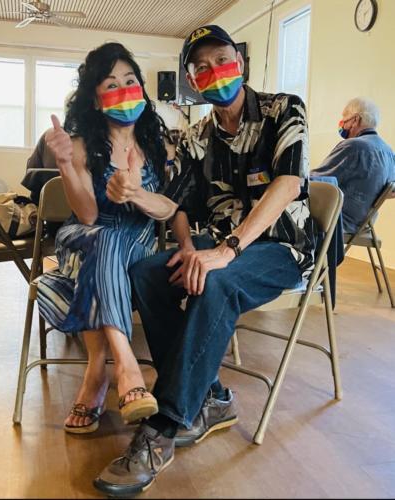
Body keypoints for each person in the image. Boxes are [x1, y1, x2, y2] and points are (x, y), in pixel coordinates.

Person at [93, 25, 315, 497]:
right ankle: (210, 396)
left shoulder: (283, 109)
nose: (214, 71)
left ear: (240, 61)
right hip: (216, 245)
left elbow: (288, 184)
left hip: (281, 247)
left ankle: (164, 427)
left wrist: (227, 250)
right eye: (201, 67)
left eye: (221, 60)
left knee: (216, 283)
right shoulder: (196, 136)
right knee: (148, 273)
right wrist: (188, 247)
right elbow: (179, 205)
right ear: (192, 81)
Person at [37, 42, 178, 433]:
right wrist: (66, 164)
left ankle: (98, 369)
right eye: (111, 85)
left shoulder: (161, 147)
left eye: (130, 81)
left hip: (137, 244)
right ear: (96, 100)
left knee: (110, 248)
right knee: (104, 240)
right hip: (83, 239)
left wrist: (136, 194)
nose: (124, 90)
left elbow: (171, 209)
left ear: (142, 89)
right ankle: (127, 367)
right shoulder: (81, 146)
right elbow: (87, 215)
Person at [311, 97, 395, 233]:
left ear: (355, 120)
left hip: (339, 220)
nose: (342, 124)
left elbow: (319, 180)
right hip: (365, 225)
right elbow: (392, 191)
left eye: (344, 119)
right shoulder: (389, 152)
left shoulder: (354, 146)